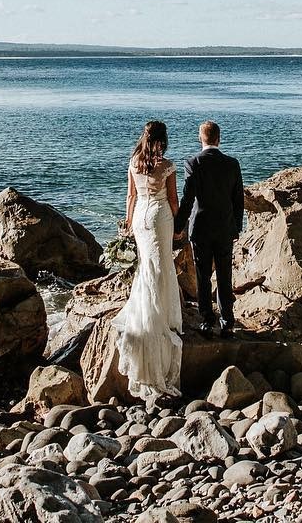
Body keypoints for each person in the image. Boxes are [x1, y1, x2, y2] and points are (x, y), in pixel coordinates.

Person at [111, 119, 183, 404]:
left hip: (140, 215)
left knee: (146, 267)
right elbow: (174, 200)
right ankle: (161, 318)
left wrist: (128, 224)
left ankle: (147, 314)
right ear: (163, 139)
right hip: (159, 216)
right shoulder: (167, 166)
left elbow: (130, 196)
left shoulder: (133, 163)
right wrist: (179, 226)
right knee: (161, 265)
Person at [173, 120, 243, 337]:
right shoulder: (232, 164)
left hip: (200, 228)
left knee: (203, 275)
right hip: (224, 228)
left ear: (200, 138)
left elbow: (187, 199)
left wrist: (178, 226)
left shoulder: (193, 163)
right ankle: (227, 321)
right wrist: (236, 228)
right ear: (218, 139)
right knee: (224, 275)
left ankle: (206, 319)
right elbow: (238, 200)